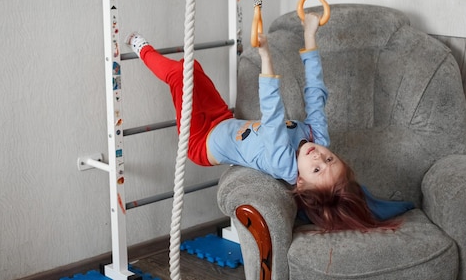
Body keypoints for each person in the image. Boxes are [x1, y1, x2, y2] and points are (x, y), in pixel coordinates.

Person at [126, 13, 411, 232]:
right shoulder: (317, 139)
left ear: (299, 182)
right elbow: (315, 94)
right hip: (223, 119)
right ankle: (152, 54)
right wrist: (310, 36)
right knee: (192, 68)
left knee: (179, 75)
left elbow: (273, 115)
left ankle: (142, 49)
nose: (320, 155)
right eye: (330, 159)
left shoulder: (282, 163)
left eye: (316, 168)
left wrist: (265, 56)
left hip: (200, 140)